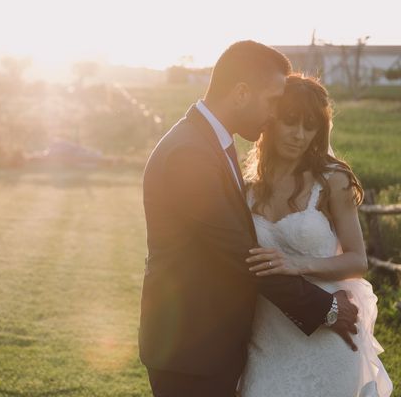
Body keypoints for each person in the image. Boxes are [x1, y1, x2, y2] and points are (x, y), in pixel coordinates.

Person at [139, 40, 359, 396]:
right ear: (241, 93)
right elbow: (241, 255)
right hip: (191, 349)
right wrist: (328, 309)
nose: (274, 114)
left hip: (212, 345)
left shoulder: (208, 141)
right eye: (273, 101)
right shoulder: (190, 154)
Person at [238, 74, 392, 396]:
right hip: (268, 335)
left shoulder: (332, 181)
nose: (299, 135)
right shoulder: (247, 188)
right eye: (290, 121)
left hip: (328, 333)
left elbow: (357, 260)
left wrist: (297, 264)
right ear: (270, 120)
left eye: (310, 126)